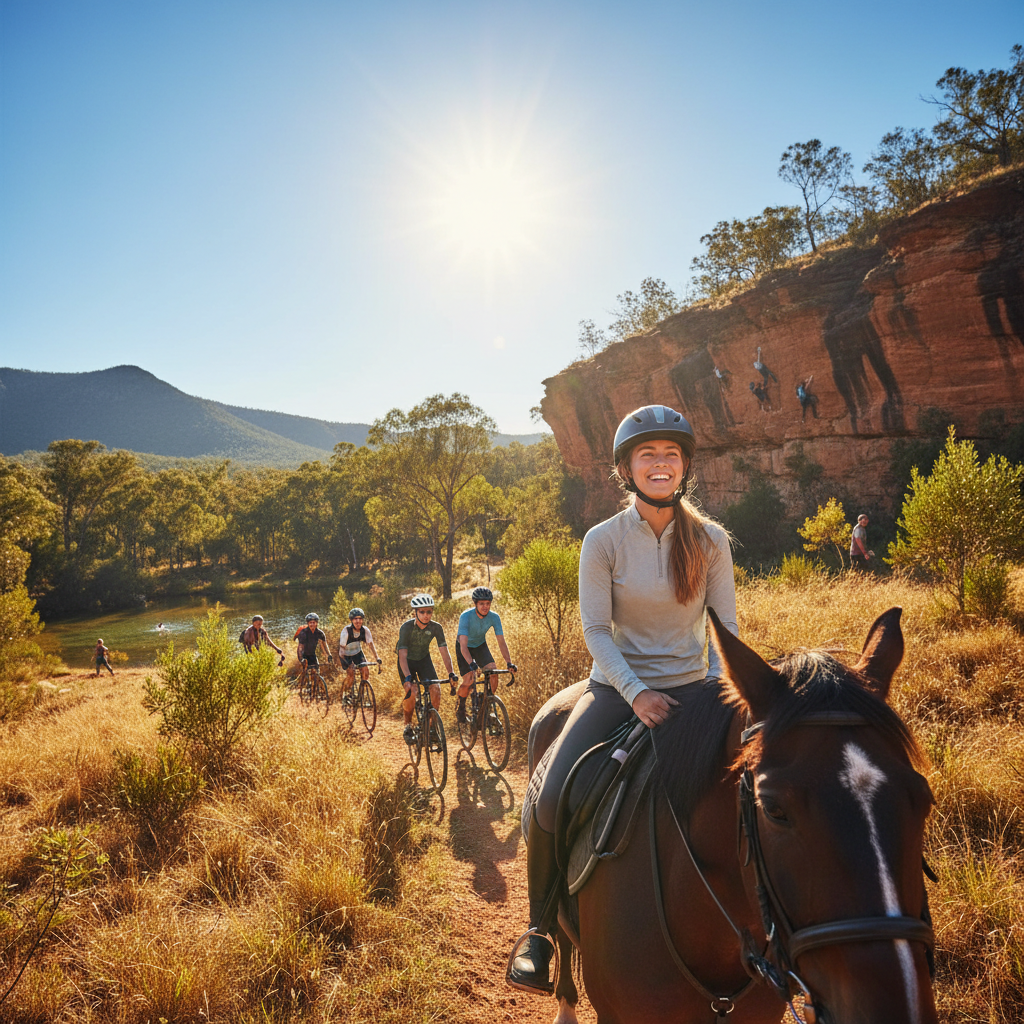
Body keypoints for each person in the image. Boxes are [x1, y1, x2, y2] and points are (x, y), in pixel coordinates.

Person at [508, 403, 737, 994]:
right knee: (552, 795)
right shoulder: (602, 540)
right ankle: (538, 933)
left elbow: (725, 633)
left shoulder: (711, 540)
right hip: (615, 690)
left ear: (684, 466)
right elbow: (596, 632)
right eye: (647, 455)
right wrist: (636, 694)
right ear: (626, 469)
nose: (660, 464)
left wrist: (726, 696)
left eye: (671, 455)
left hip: (697, 693)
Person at [396, 594, 458, 745]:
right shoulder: (406, 627)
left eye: (429, 612)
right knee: (412, 691)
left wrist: (451, 673)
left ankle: (431, 728)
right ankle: (407, 725)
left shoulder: (436, 627)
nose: (425, 615)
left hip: (424, 660)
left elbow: (444, 650)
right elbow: (402, 655)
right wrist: (408, 677)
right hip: (407, 662)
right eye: (422, 612)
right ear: (415, 613)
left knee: (435, 689)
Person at [455, 587, 517, 721]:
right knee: (469, 679)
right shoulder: (466, 616)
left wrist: (509, 662)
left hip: (480, 646)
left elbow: (501, 641)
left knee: (493, 672)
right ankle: (461, 706)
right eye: (482, 603)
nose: (485, 606)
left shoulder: (494, 617)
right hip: (464, 647)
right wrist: (471, 663)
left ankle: (485, 704)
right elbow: (463, 645)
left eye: (487, 603)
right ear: (475, 604)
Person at [338, 607, 382, 691]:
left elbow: (371, 645)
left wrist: (377, 658)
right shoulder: (346, 631)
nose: (358, 621)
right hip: (345, 655)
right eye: (355, 619)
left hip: (357, 653)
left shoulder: (365, 630)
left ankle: (361, 695)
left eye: (360, 619)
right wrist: (348, 664)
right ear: (351, 620)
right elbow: (342, 650)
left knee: (366, 672)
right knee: (351, 676)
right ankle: (345, 692)